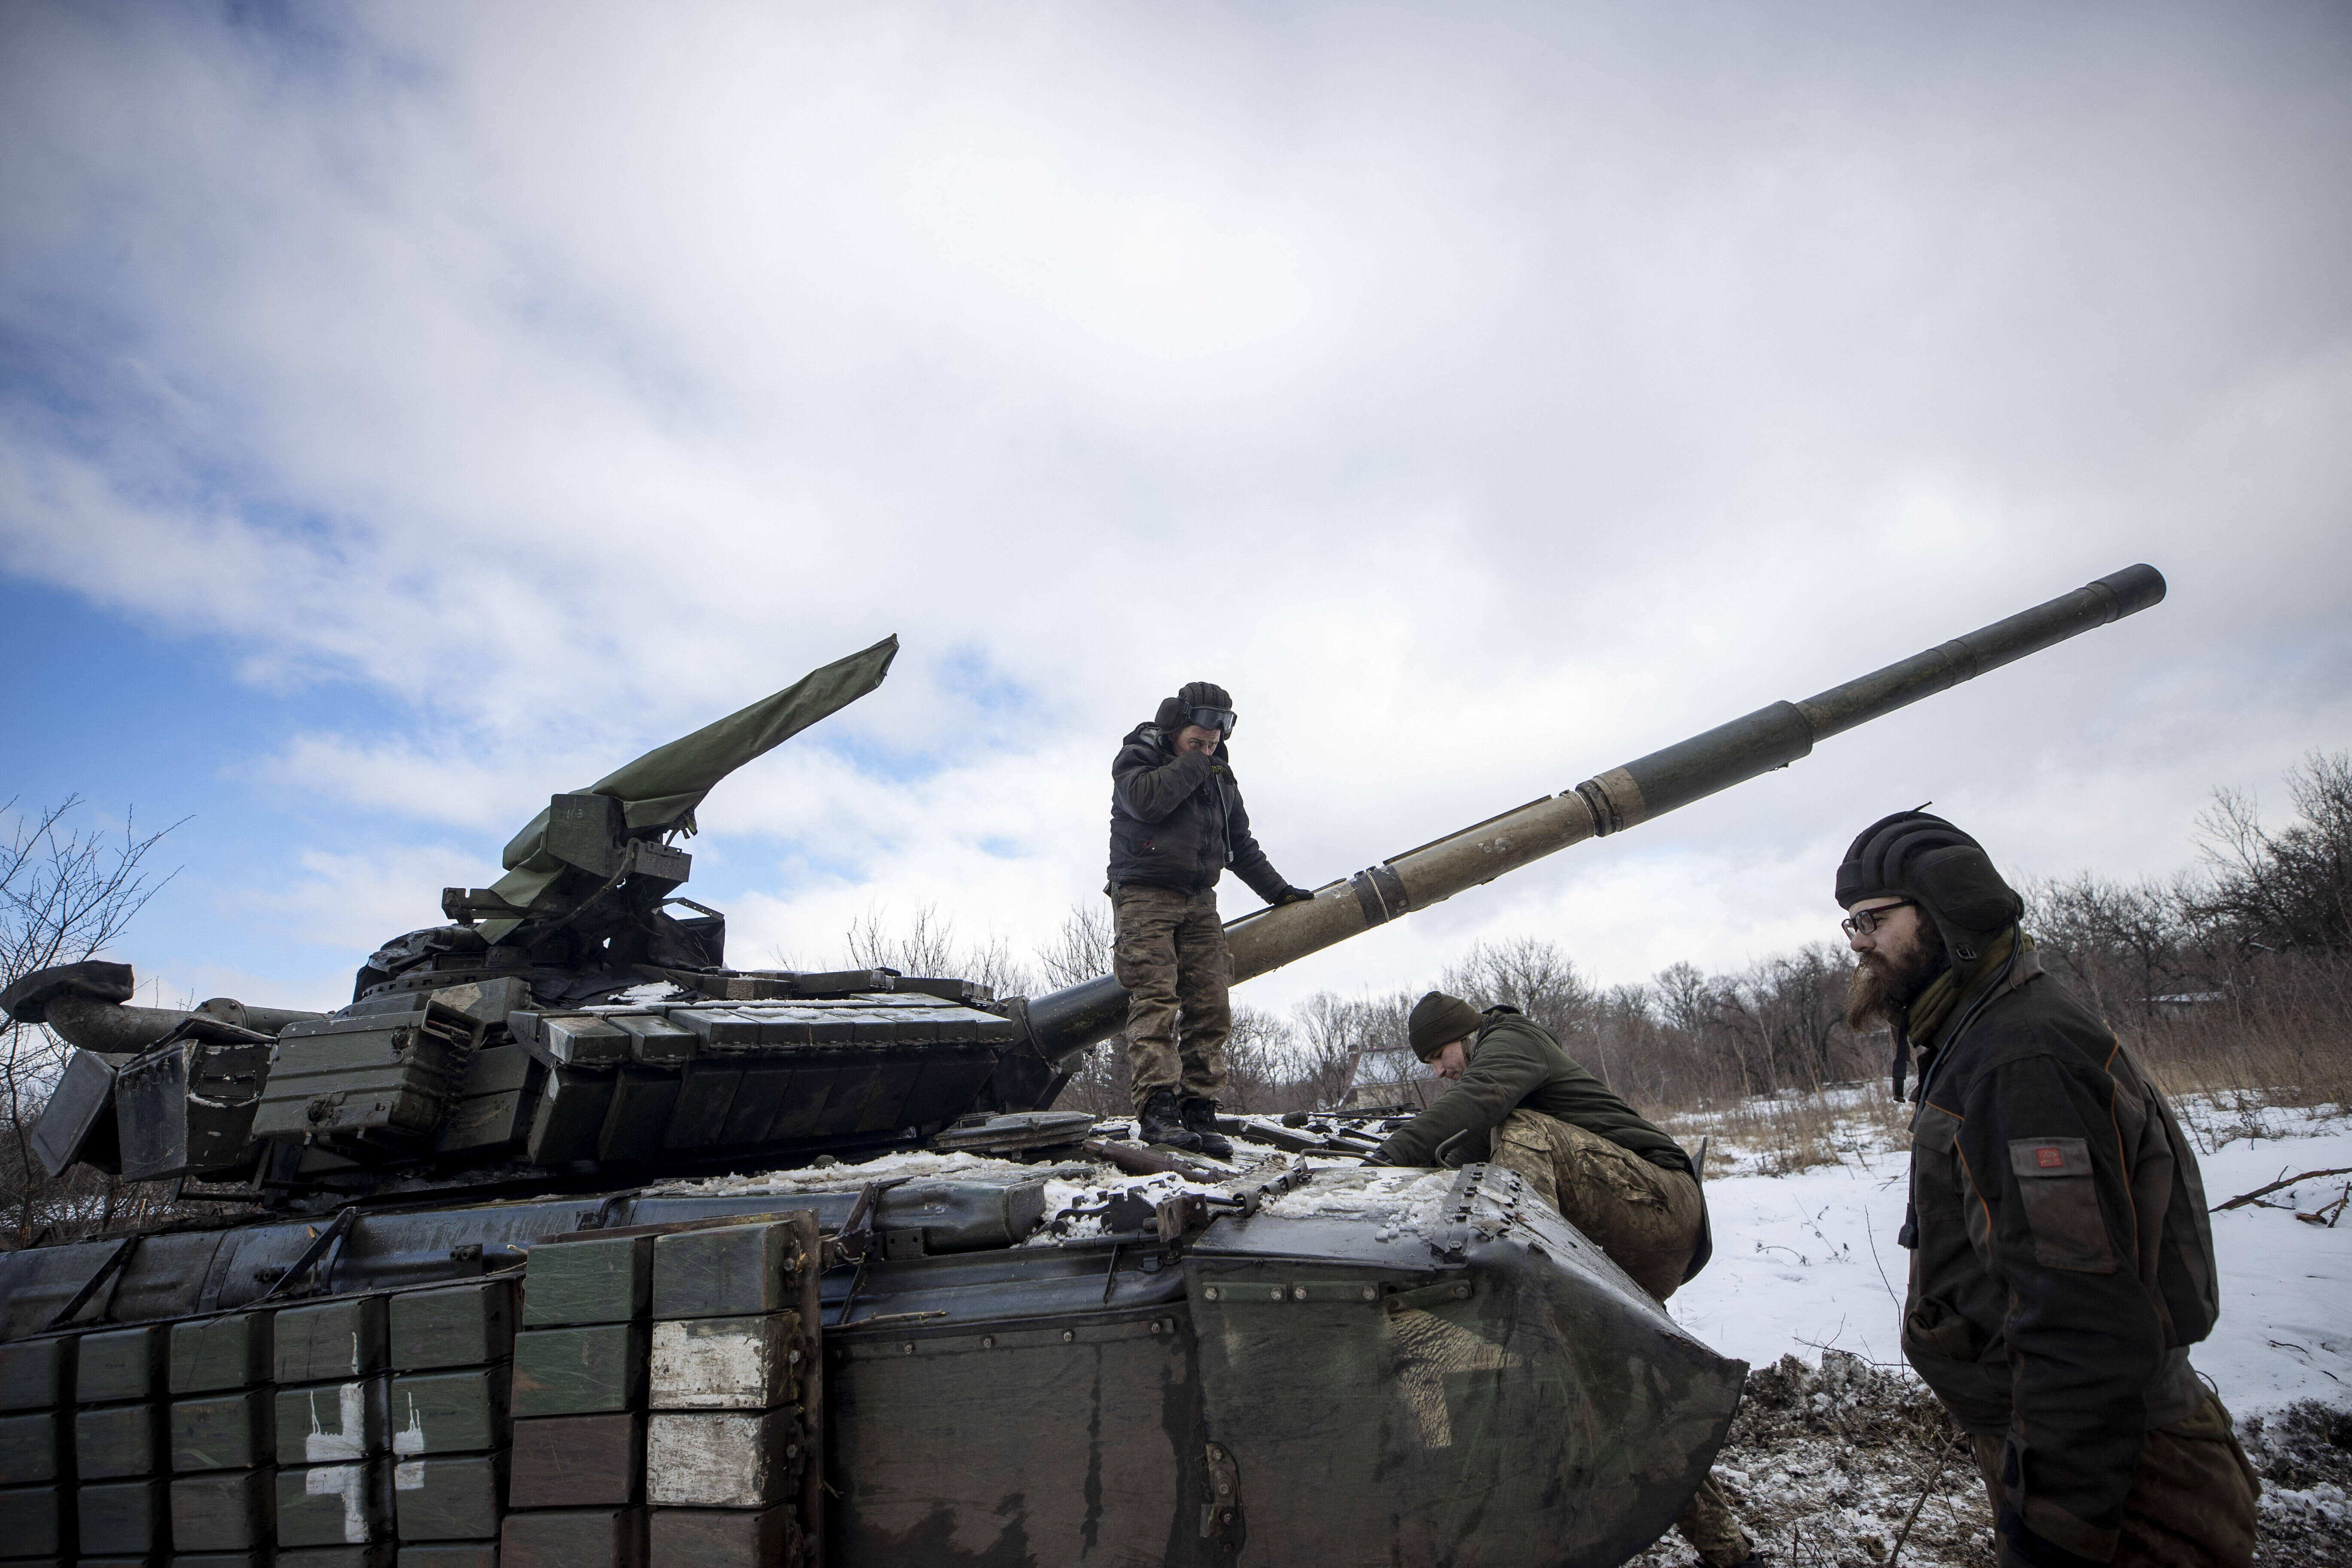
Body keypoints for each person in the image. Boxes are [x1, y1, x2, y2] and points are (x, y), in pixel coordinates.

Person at [1840, 810, 2257, 1568]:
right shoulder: (1980, 1032)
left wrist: (2060, 1523)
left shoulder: (2017, 1060)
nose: (1859, 939)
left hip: (2127, 1476)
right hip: (2082, 1450)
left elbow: (2076, 1312)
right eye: (1850, 923)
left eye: (1873, 917)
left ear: (1945, 914)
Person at [1368, 990, 1754, 1568]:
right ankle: (1730, 1553)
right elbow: (1457, 1156)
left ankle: (1531, 1294)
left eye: (1440, 1053)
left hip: (1664, 1204)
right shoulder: (1495, 1085)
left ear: (1463, 1033)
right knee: (1614, 1378)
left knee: (1523, 1131)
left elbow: (1478, 1101)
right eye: (1428, 1064)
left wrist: (1383, 1163)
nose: (1440, 1070)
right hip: (1632, 1225)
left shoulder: (1510, 1043)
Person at [1107, 681, 1311, 1156]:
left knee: (1211, 1005)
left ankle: (1199, 1108)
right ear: (1175, 729)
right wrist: (1198, 764)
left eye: (1214, 743)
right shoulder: (1138, 757)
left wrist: (1279, 891)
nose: (1207, 749)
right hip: (1145, 894)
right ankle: (1158, 1110)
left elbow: (1240, 845)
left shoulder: (1221, 777)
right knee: (1156, 1000)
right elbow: (1148, 802)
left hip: (1200, 899)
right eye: (1196, 741)